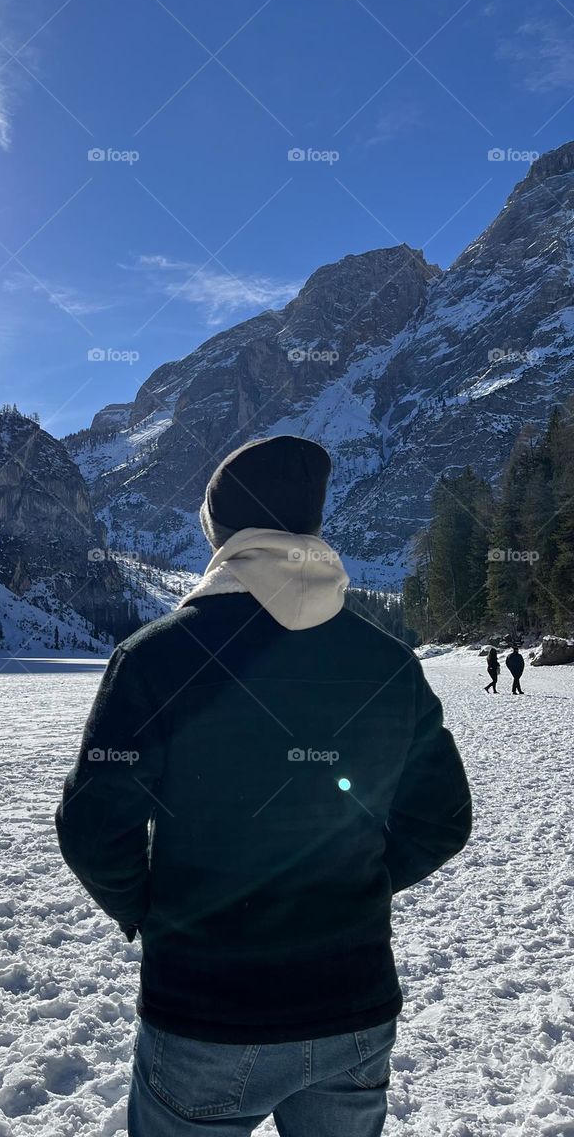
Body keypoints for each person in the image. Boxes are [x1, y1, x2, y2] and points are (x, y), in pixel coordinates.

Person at [56, 435, 472, 1137]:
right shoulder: (388, 662)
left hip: (204, 1013)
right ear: (309, 528)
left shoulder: (154, 658)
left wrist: (153, 912)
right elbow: (442, 819)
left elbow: (94, 828)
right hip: (354, 1012)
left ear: (222, 535)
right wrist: (358, 884)